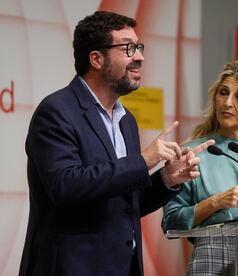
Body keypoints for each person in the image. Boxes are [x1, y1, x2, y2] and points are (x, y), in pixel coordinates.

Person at [19, 11, 214, 276]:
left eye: (139, 47)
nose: (140, 57)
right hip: (71, 267)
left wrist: (166, 179)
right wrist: (143, 161)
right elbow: (65, 186)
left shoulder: (126, 121)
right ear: (96, 59)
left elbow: (124, 203)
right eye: (128, 48)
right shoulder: (56, 111)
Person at [162, 61, 238, 275]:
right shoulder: (192, 153)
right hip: (211, 258)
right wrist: (214, 203)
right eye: (223, 93)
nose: (227, 103)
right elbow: (171, 224)